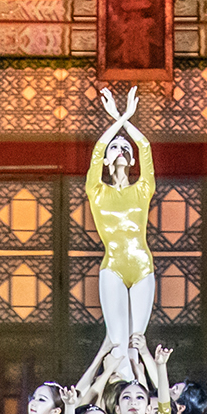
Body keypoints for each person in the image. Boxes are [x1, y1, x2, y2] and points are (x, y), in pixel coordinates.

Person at [88, 86, 159, 372]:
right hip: (112, 267)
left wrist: (127, 118)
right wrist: (117, 118)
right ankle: (118, 394)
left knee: (135, 344)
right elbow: (97, 151)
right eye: (114, 147)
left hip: (143, 267)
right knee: (117, 344)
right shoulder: (96, 190)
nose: (121, 149)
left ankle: (140, 392)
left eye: (125, 148)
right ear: (107, 160)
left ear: (131, 160)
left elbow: (145, 147)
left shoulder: (143, 189)